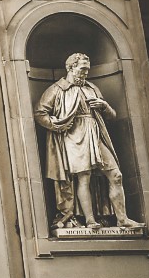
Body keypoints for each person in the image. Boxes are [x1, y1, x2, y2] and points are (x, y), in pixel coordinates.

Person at [34, 52, 142, 230]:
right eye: (82, 69)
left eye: (87, 70)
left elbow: (112, 116)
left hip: (95, 134)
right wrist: (57, 125)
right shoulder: (57, 89)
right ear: (71, 67)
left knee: (116, 175)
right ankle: (90, 220)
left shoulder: (91, 88)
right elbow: (40, 113)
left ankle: (122, 219)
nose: (85, 74)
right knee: (84, 178)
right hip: (74, 137)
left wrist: (104, 106)